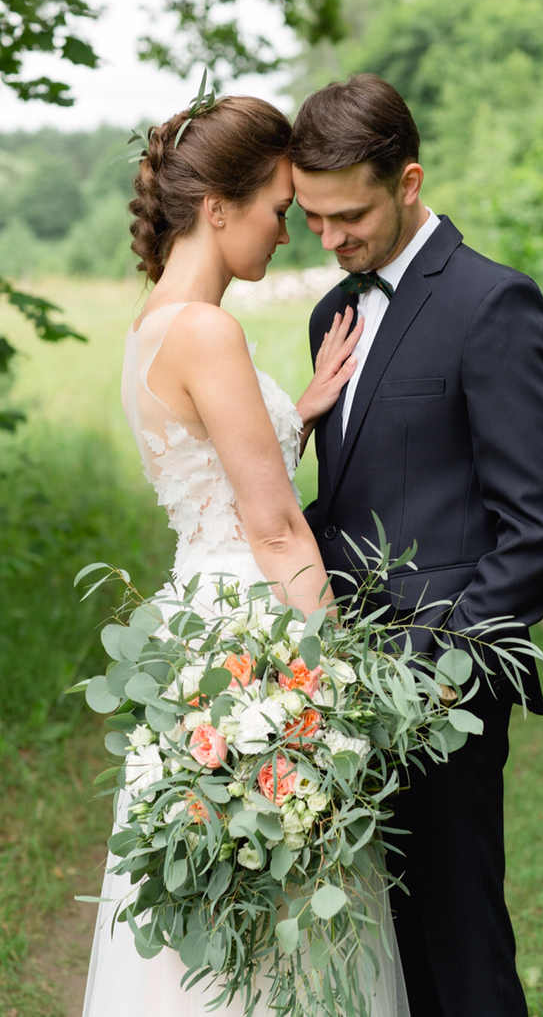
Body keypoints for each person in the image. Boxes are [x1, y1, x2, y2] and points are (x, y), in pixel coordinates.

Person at [82, 93, 409, 1016]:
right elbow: (272, 528)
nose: (290, 233)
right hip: (257, 639)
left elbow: (215, 474)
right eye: (277, 208)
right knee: (288, 894)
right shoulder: (209, 329)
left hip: (197, 630)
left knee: (225, 889)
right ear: (218, 207)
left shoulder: (154, 324)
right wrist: (339, 679)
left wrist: (293, 415)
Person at [288, 73, 543, 1016]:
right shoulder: (330, 311)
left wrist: (442, 668)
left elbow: (537, 524)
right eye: (312, 217)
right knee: (381, 945)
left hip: (441, 688)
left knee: (460, 942)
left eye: (349, 215)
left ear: (409, 180)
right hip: (341, 687)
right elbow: (348, 500)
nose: (331, 239)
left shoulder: (492, 304)